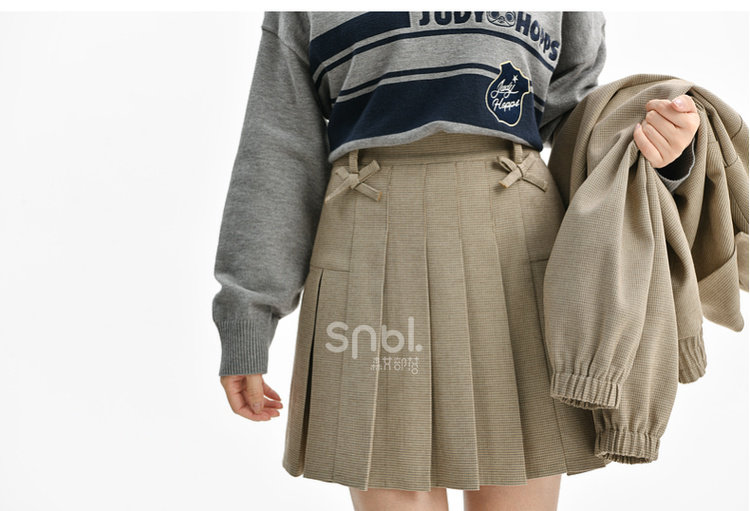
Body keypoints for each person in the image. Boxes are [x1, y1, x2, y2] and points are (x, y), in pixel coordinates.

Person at [211, 11, 699, 511]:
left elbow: (574, 120)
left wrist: (661, 151)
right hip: (367, 242)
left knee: (516, 479)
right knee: (392, 473)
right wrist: (247, 315)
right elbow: (279, 145)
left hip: (515, 244)